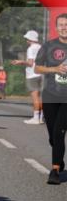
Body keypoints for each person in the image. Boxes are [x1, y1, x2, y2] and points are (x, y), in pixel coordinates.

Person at [34, 13, 67, 185]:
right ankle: (59, 158)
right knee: (53, 137)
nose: (64, 27)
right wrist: (55, 69)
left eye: (66, 24)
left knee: (59, 132)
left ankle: (54, 170)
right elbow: (37, 68)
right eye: (61, 24)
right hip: (50, 95)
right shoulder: (48, 46)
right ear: (56, 27)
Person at [13, 30, 45, 124]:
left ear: (30, 39)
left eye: (27, 38)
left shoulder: (31, 48)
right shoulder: (41, 47)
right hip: (41, 74)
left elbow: (30, 63)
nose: (26, 40)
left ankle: (35, 118)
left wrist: (20, 62)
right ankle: (41, 117)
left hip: (32, 75)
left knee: (35, 97)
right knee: (40, 97)